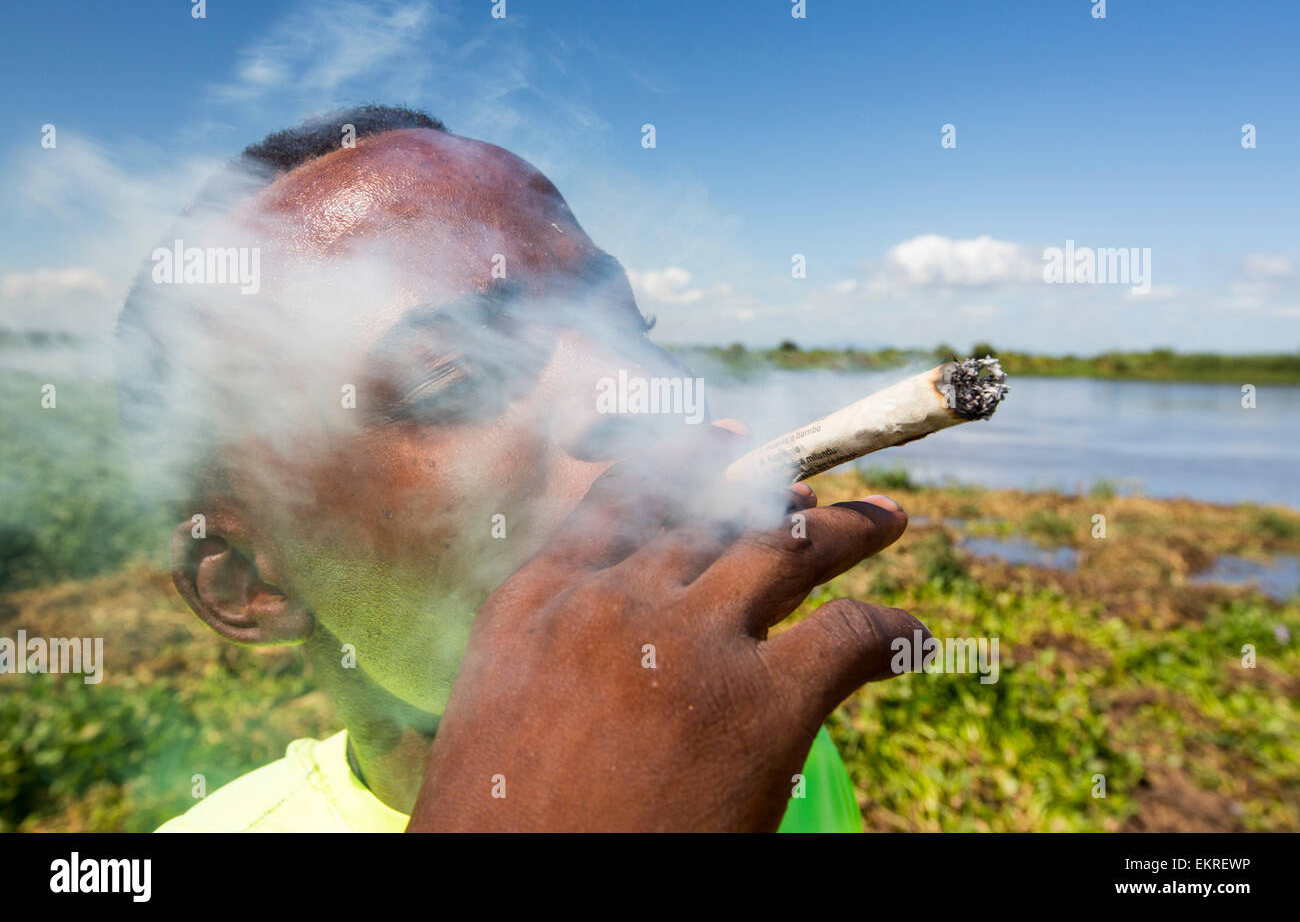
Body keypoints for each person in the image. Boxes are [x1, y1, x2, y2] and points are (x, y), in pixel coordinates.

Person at [116, 106, 925, 832]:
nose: (649, 390)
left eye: (629, 322)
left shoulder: (754, 738)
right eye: (449, 375)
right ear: (249, 582)